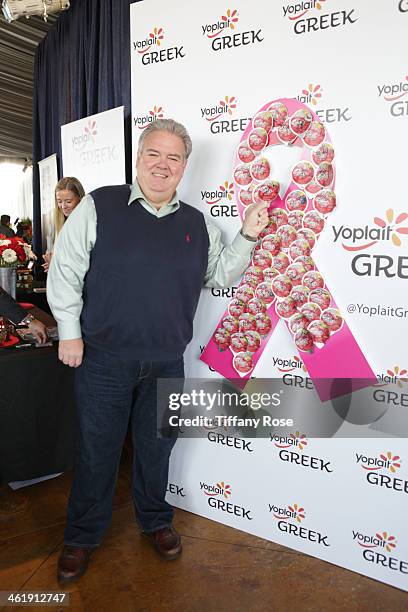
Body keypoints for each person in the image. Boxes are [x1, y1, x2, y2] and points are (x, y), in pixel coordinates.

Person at [47, 119, 269, 584]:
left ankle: (156, 521)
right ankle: (82, 536)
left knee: (157, 449)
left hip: (167, 359)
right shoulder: (99, 205)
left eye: (174, 158)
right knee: (97, 452)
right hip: (103, 359)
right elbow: (66, 269)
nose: (162, 165)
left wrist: (247, 235)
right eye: (154, 154)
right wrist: (69, 331)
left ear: (185, 167)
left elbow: (221, 277)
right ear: (139, 157)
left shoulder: (198, 222)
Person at [42, 177, 85, 272]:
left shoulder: (87, 225)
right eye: (59, 201)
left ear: (80, 199)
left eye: (68, 201)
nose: (63, 206)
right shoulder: (56, 223)